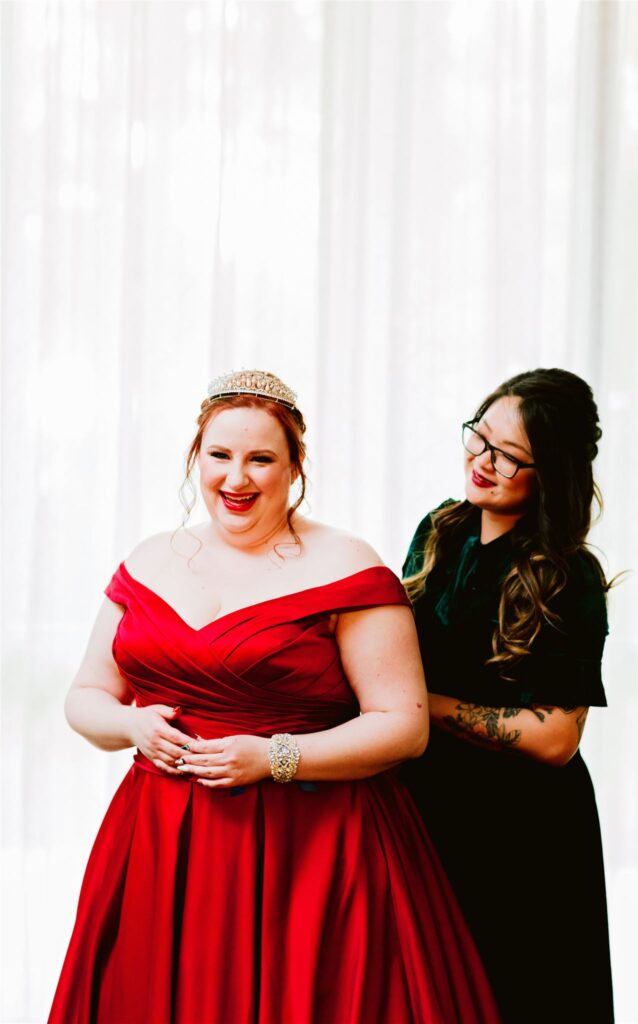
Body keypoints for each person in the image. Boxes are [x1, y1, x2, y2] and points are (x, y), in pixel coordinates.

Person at [49, 370, 500, 1024]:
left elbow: (403, 725)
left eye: (261, 459)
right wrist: (131, 724)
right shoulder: (148, 560)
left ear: (295, 468)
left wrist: (274, 758)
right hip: (162, 840)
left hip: (312, 846)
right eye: (220, 456)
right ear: (194, 459)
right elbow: (84, 696)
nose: (237, 479)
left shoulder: (348, 565)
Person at [402, 368, 614, 1024]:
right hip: (429, 807)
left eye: (508, 456)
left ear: (548, 471)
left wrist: (423, 710)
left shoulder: (567, 574)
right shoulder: (439, 530)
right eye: (478, 437)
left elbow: (554, 737)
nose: (481, 461)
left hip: (523, 835)